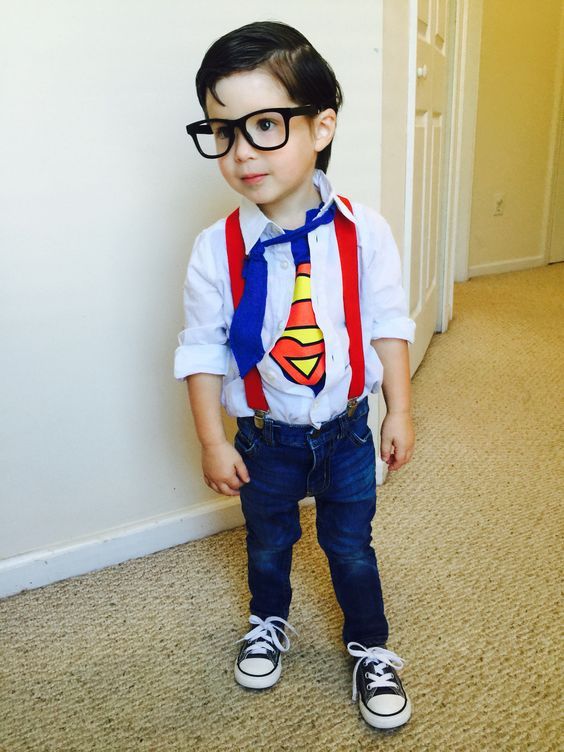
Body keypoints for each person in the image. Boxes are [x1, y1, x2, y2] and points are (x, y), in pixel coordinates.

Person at [174, 21, 416, 731]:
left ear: (321, 126)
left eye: (267, 125)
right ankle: (267, 621)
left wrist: (398, 411)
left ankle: (371, 645)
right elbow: (202, 349)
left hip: (344, 433)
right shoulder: (215, 249)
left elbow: (388, 323)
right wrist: (215, 442)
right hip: (264, 438)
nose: (242, 150)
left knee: (350, 544)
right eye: (223, 131)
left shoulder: (364, 231)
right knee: (269, 539)